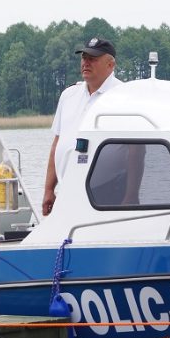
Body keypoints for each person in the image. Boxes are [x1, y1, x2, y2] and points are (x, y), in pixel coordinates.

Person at [42, 37, 121, 215]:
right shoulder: (69, 95)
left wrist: (130, 196)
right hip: (67, 189)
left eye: (93, 58)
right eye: (84, 58)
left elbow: (135, 155)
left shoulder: (122, 96)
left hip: (108, 193)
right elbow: (57, 144)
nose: (86, 62)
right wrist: (48, 189)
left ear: (110, 64)